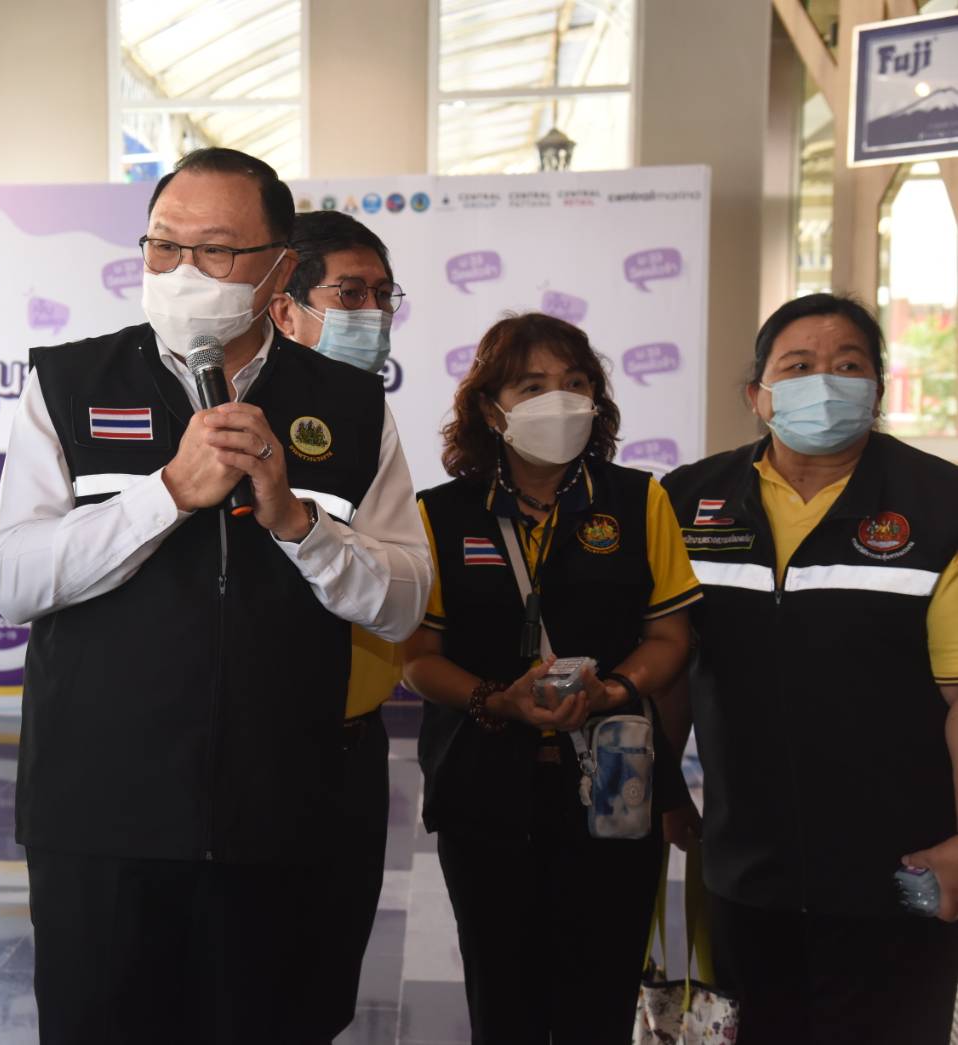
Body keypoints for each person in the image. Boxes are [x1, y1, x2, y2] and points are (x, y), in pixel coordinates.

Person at [0, 148, 432, 1045]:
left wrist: (299, 523)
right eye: (164, 245)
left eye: (217, 250)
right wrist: (166, 494)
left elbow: (403, 601)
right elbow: (14, 579)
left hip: (280, 815)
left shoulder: (349, 406)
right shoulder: (69, 384)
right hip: (100, 816)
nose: (183, 269)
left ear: (277, 268)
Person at [662, 293, 958, 1044]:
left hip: (900, 871)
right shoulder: (689, 499)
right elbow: (669, 661)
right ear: (757, 394)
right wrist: (661, 787)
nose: (825, 382)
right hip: (745, 865)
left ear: (879, 389)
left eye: (848, 365)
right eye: (798, 366)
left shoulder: (940, 504)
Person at [401, 312, 700, 1045]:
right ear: (490, 407)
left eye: (575, 383)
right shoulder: (439, 514)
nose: (559, 400)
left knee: (600, 998)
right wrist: (494, 699)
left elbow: (671, 638)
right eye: (532, 386)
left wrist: (613, 690)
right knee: (502, 998)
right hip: (485, 790)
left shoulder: (638, 500)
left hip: (615, 787)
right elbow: (417, 657)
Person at [269, 208, 407, 1038]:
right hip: (259, 747)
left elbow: (402, 584)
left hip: (353, 745)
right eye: (350, 294)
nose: (373, 313)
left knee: (323, 983)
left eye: (384, 296)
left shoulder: (371, 421)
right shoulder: (231, 420)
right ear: (283, 308)